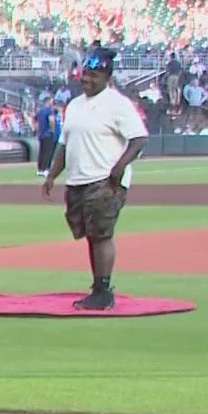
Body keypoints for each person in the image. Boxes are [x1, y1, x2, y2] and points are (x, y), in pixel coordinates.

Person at [40, 47, 148, 311]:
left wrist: (119, 168)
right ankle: (98, 286)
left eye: (92, 76)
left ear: (106, 77)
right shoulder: (75, 105)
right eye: (84, 74)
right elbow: (64, 144)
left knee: (101, 234)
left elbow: (139, 138)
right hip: (78, 180)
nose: (86, 79)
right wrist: (52, 175)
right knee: (90, 234)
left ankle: (104, 291)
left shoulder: (117, 104)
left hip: (104, 179)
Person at [35, 99, 60, 177]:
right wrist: (52, 131)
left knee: (42, 152)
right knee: (48, 153)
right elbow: (51, 121)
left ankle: (40, 169)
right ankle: (46, 169)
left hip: (42, 134)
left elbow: (36, 121)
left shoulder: (40, 112)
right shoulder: (50, 111)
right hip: (49, 135)